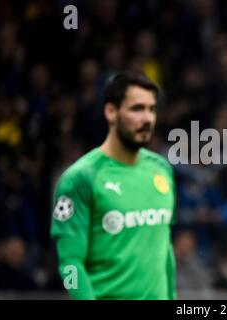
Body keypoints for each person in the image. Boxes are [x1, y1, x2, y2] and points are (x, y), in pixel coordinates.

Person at [50, 71, 177, 300]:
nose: (147, 118)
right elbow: (70, 263)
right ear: (111, 112)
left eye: (152, 109)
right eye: (137, 109)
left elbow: (164, 249)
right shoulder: (80, 178)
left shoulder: (162, 170)